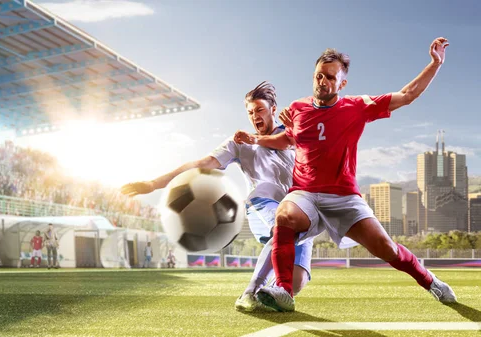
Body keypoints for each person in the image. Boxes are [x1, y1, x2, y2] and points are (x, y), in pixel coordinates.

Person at [234, 37, 456, 312]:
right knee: (284, 216)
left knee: (386, 248)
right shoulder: (298, 109)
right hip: (305, 193)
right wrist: (256, 140)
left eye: (330, 77)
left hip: (343, 196)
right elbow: (289, 141)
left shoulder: (357, 106)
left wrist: (435, 63)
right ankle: (284, 291)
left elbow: (407, 95)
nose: (322, 81)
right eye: (318, 76)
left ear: (341, 83)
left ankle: (431, 281)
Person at [121, 81, 315, 312]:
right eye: (251, 112)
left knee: (297, 280)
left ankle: (270, 293)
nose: (255, 116)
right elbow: (201, 164)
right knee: (284, 227)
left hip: (298, 205)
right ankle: (249, 293)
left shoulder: (293, 134)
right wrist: (154, 183)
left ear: (274, 109)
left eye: (260, 110)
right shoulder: (240, 143)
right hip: (263, 203)